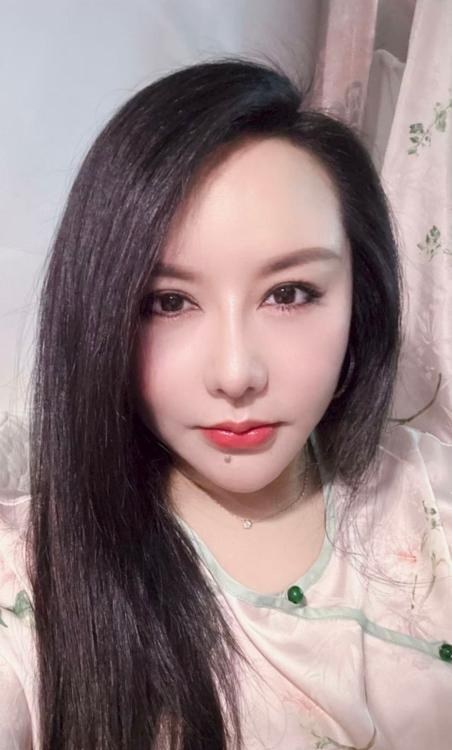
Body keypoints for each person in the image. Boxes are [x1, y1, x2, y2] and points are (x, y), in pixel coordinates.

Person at [0, 57, 451, 750]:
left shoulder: (431, 497)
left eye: (290, 293)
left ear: (360, 298)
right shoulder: (28, 579)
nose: (236, 375)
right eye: (168, 302)